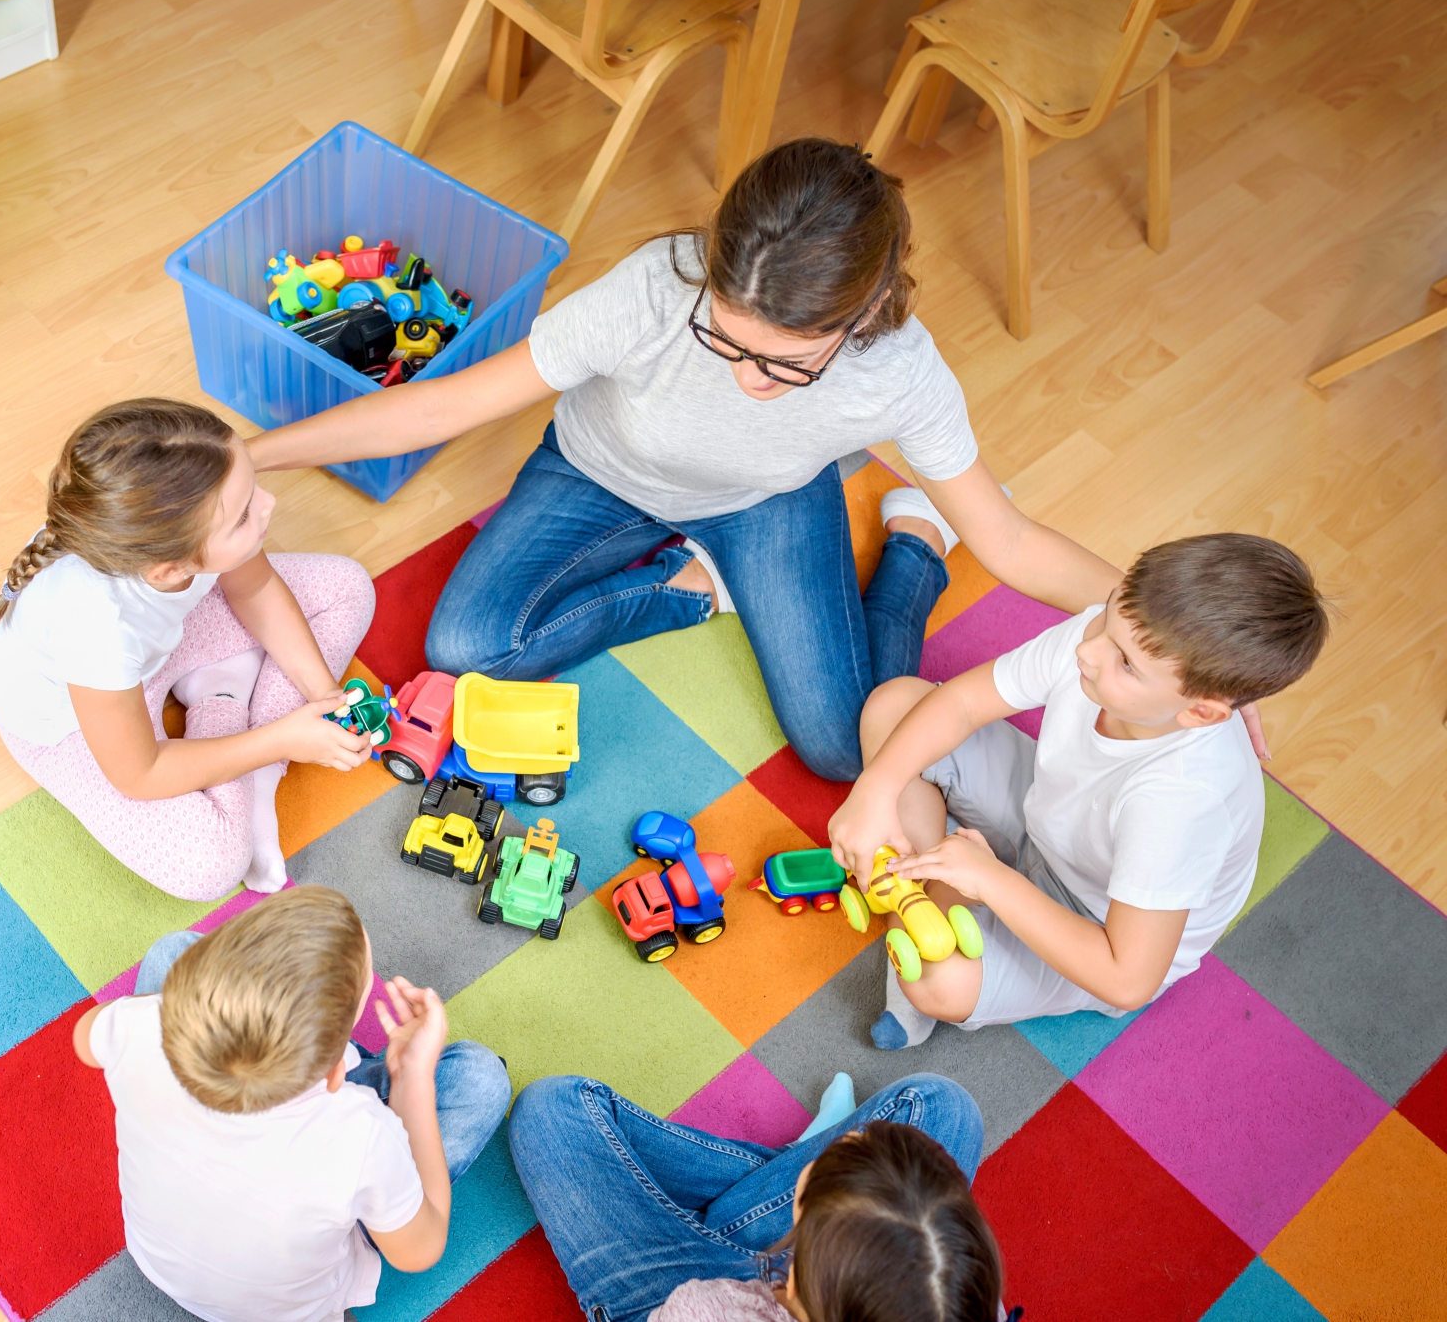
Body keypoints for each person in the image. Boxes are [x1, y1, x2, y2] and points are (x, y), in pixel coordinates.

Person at [244, 137, 1125, 781]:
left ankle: (917, 548)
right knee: (467, 646)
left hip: (764, 502)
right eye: (726, 341)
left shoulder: (898, 370)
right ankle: (688, 586)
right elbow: (442, 402)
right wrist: (249, 455)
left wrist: (1162, 633)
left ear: (866, 310)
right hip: (597, 472)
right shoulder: (653, 289)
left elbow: (1008, 541)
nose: (748, 379)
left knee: (850, 747)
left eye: (785, 363)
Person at [827, 534, 1330, 1050]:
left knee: (941, 983)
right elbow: (962, 704)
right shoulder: (1102, 640)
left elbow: (1127, 979)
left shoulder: (1180, 802)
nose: (1088, 652)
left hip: (1093, 920)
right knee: (895, 706)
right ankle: (931, 888)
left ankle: (924, 887)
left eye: (1126, 664)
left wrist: (992, 881)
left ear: (1199, 712)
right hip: (1045, 819)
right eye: (1110, 617)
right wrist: (877, 787)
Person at [0, 398, 378, 900]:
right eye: (243, 517)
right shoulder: (94, 626)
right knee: (208, 867)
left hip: (148, 656)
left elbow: (253, 590)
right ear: (171, 569)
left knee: (348, 587)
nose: (269, 504)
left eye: (252, 486)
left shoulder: (165, 534)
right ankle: (223, 701)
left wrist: (325, 698)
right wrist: (280, 741)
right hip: (75, 726)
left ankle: (251, 765)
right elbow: (140, 774)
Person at [72, 886, 511, 1322]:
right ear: (338, 1073)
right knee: (481, 1077)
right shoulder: (360, 1133)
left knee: (172, 950)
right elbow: (420, 1250)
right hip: (288, 1307)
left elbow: (84, 1038)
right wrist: (412, 1076)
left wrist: (174, 1010)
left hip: (162, 1262)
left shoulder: (141, 1026)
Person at [509, 1071, 1001, 1322]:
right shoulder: (952, 1302)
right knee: (941, 1104)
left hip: (680, 1299)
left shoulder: (699, 1308)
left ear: (800, 1215)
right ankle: (783, 1175)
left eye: (824, 1160)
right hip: (821, 1286)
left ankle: (767, 1182)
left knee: (552, 1109)